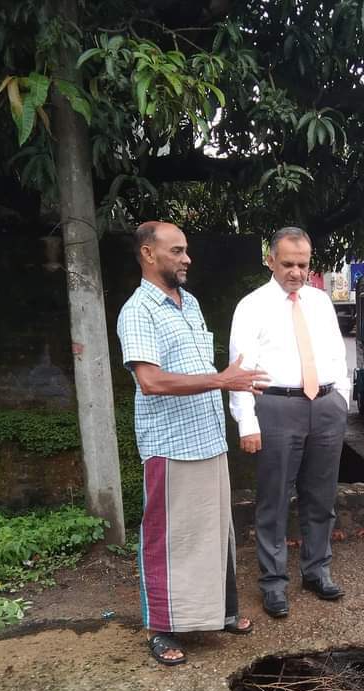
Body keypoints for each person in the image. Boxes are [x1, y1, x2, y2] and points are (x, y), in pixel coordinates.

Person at [116, 221, 270, 666]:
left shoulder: (191, 304)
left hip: (208, 438)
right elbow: (150, 381)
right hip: (170, 446)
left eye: (186, 250)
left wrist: (225, 384)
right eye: (177, 251)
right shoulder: (138, 311)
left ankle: (221, 612)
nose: (187, 259)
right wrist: (222, 380)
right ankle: (161, 629)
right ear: (149, 254)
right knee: (168, 539)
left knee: (215, 532)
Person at [229, 227, 351, 619]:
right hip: (277, 408)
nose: (296, 272)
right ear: (270, 261)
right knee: (274, 498)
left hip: (326, 406)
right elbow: (240, 368)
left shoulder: (319, 301)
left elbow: (336, 352)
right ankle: (273, 583)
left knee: (321, 496)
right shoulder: (252, 306)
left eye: (303, 264)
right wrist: (246, 421)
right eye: (288, 264)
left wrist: (342, 398)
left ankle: (317, 570)